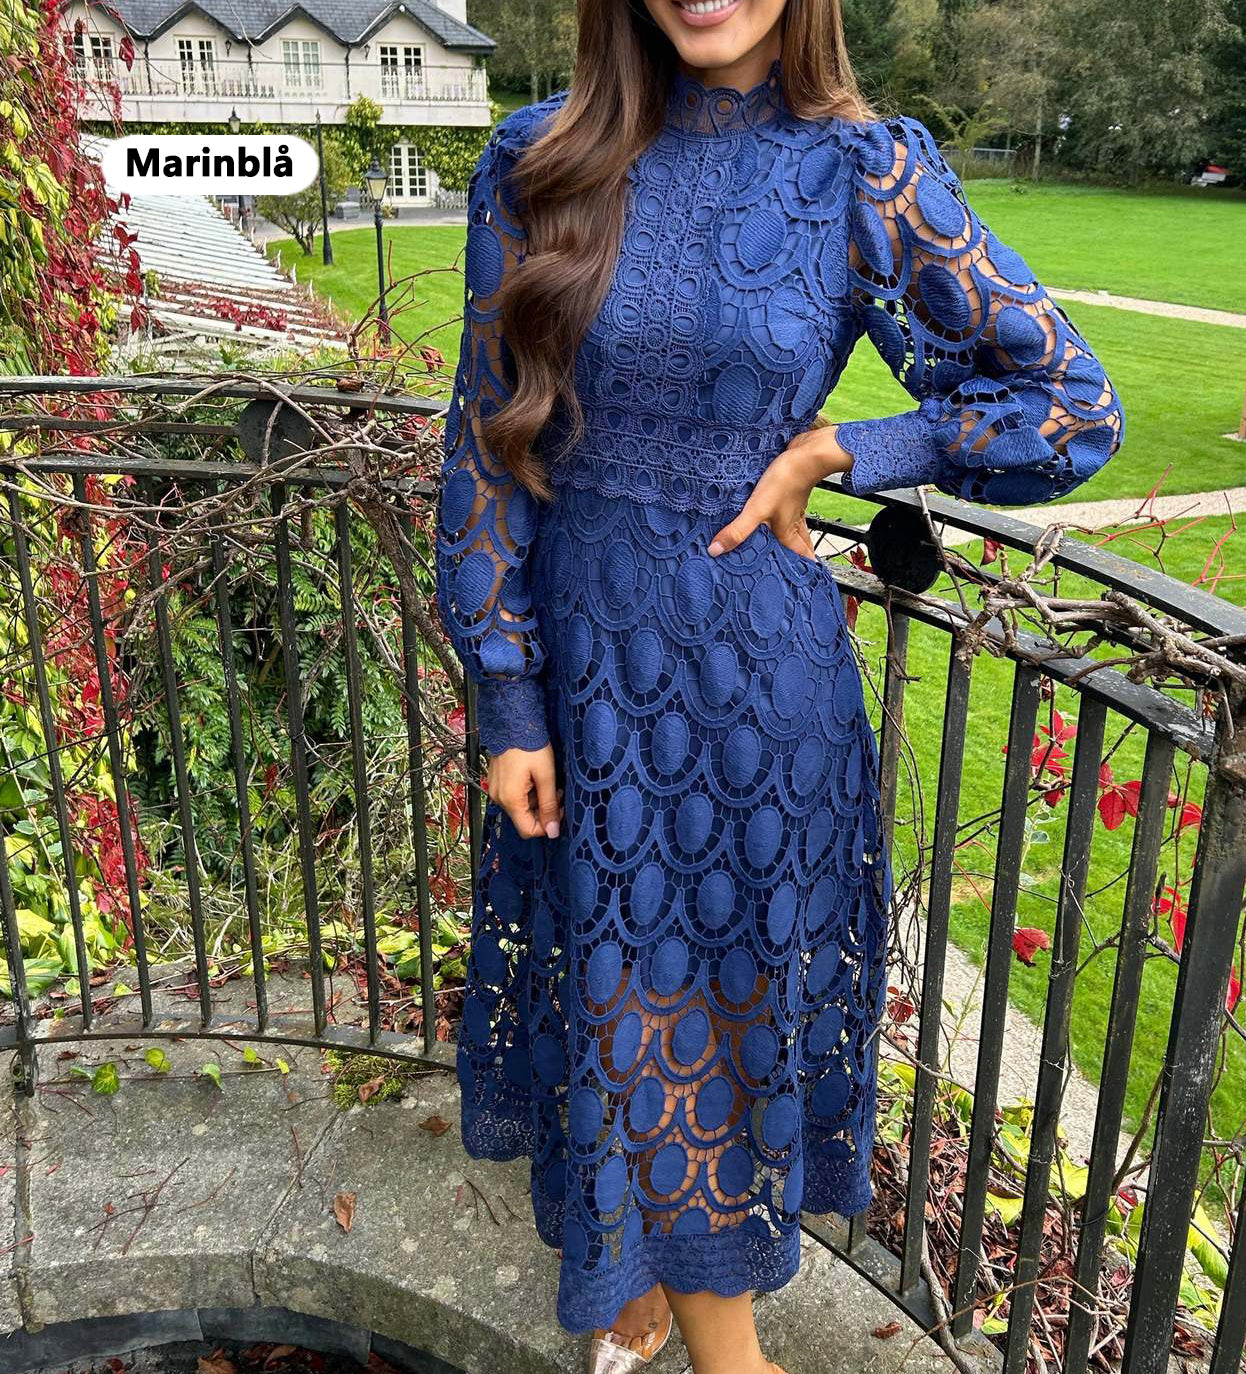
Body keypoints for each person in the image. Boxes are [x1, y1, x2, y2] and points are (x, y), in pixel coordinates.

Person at [435, 1, 1125, 1370]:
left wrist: (839, 450)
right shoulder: (537, 159)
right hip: (585, 684)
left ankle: (720, 1349)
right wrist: (505, 692)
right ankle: (646, 1289)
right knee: (612, 995)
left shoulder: (863, 169)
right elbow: (485, 439)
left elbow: (1069, 404)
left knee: (714, 1020)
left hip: (757, 697)